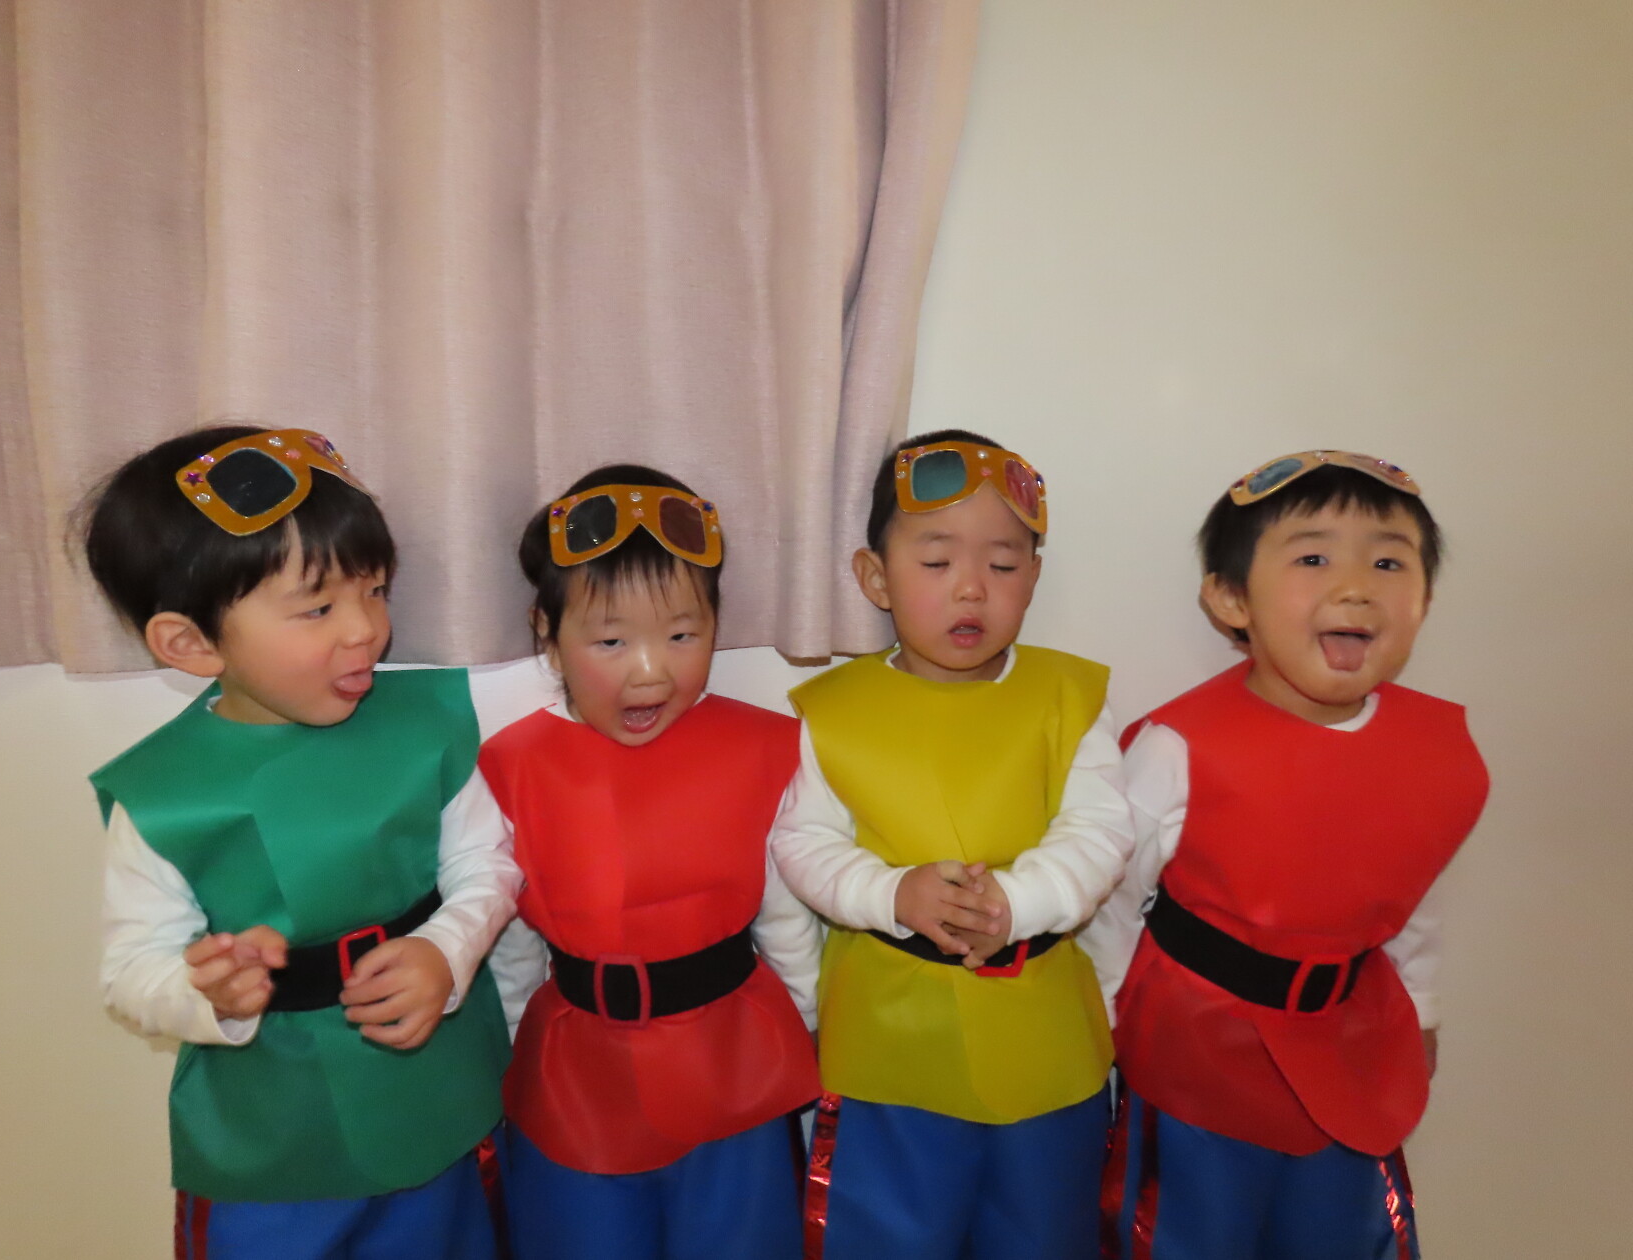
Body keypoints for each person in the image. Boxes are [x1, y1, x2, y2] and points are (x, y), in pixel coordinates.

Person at [83, 425, 518, 1259]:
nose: (365, 630)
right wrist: (208, 993)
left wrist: (446, 951)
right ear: (191, 643)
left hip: (438, 1105)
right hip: (271, 1144)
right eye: (318, 608)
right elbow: (130, 972)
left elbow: (486, 864)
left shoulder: (425, 726)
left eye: (375, 589)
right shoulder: (164, 795)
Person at [1086, 450, 1490, 1260]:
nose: (1356, 587)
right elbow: (1115, 900)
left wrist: (1422, 1007)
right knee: (1189, 1235)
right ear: (1230, 598)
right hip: (1196, 1055)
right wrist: (1098, 1030)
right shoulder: (1178, 746)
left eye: (1388, 562)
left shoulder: (1439, 749)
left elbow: (1411, 891)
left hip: (1352, 1048)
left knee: (1340, 1229)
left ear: (1425, 599)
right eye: (1313, 559)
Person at [771, 430, 1135, 1260]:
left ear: (1033, 576)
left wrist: (1018, 902)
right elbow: (803, 843)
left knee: (1047, 1234)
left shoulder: (1069, 697)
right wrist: (891, 894)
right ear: (875, 578)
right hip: (887, 1050)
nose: (971, 587)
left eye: (1003, 565)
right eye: (936, 562)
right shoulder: (833, 712)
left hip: (1046, 1045)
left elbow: (1101, 830)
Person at [477, 465, 822, 1260]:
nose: (651, 670)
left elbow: (786, 919)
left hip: (735, 1068)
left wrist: (809, 1030)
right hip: (577, 1078)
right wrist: (509, 1055)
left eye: (682, 635)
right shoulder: (512, 766)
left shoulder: (764, 748)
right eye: (610, 641)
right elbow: (512, 942)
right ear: (546, 632)